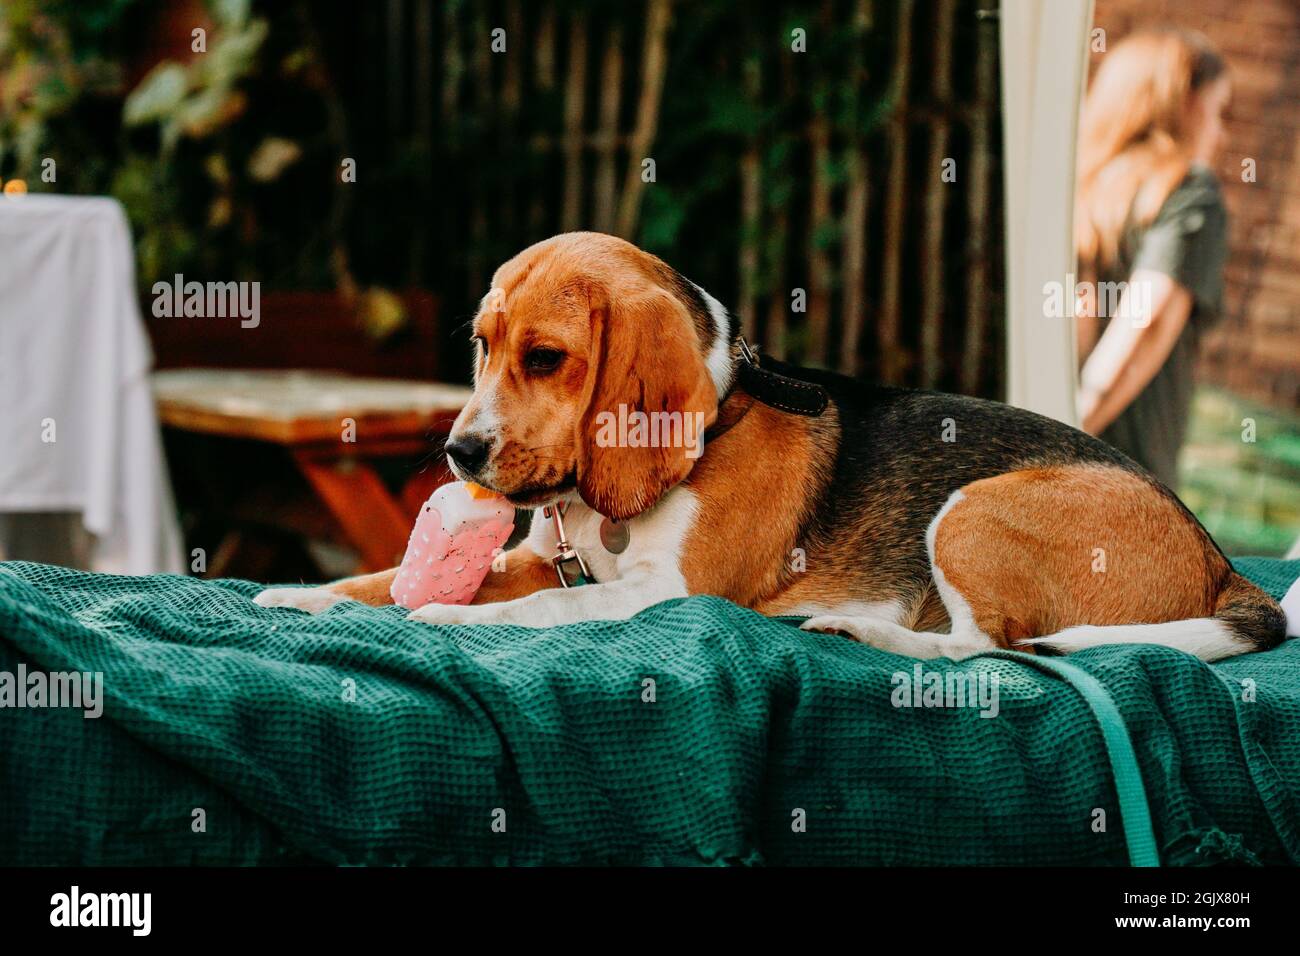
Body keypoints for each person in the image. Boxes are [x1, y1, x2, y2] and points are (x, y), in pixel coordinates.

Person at [1073, 27, 1232, 489]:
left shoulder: (1080, 191)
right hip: (1126, 486)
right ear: (1184, 102)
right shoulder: (1190, 191)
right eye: (1219, 111)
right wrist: (1062, 428)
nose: (1221, 135)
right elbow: (1148, 324)